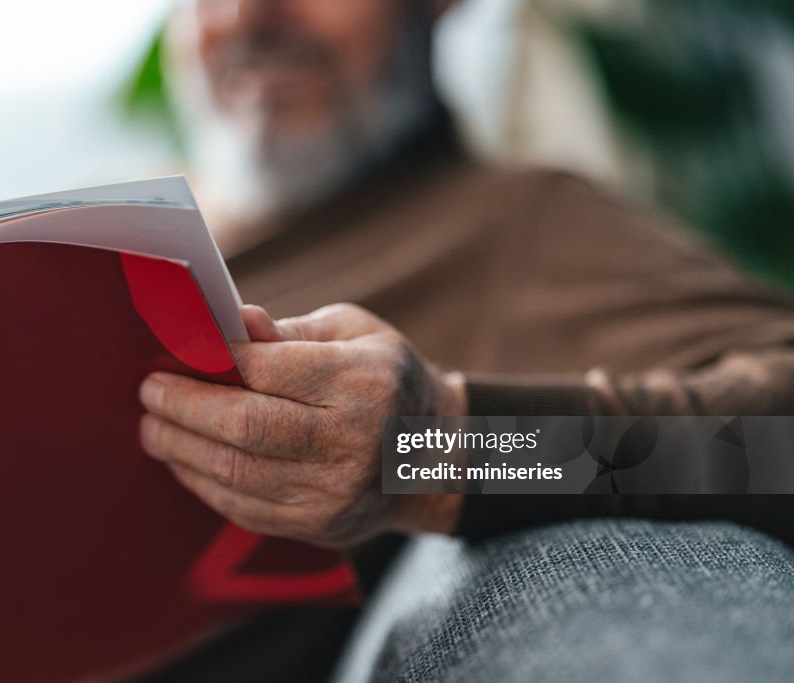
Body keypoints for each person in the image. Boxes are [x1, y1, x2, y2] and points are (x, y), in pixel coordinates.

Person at [133, 0, 794, 680]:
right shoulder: (112, 249)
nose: (249, 14)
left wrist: (438, 447)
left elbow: (780, 445)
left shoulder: (517, 227)